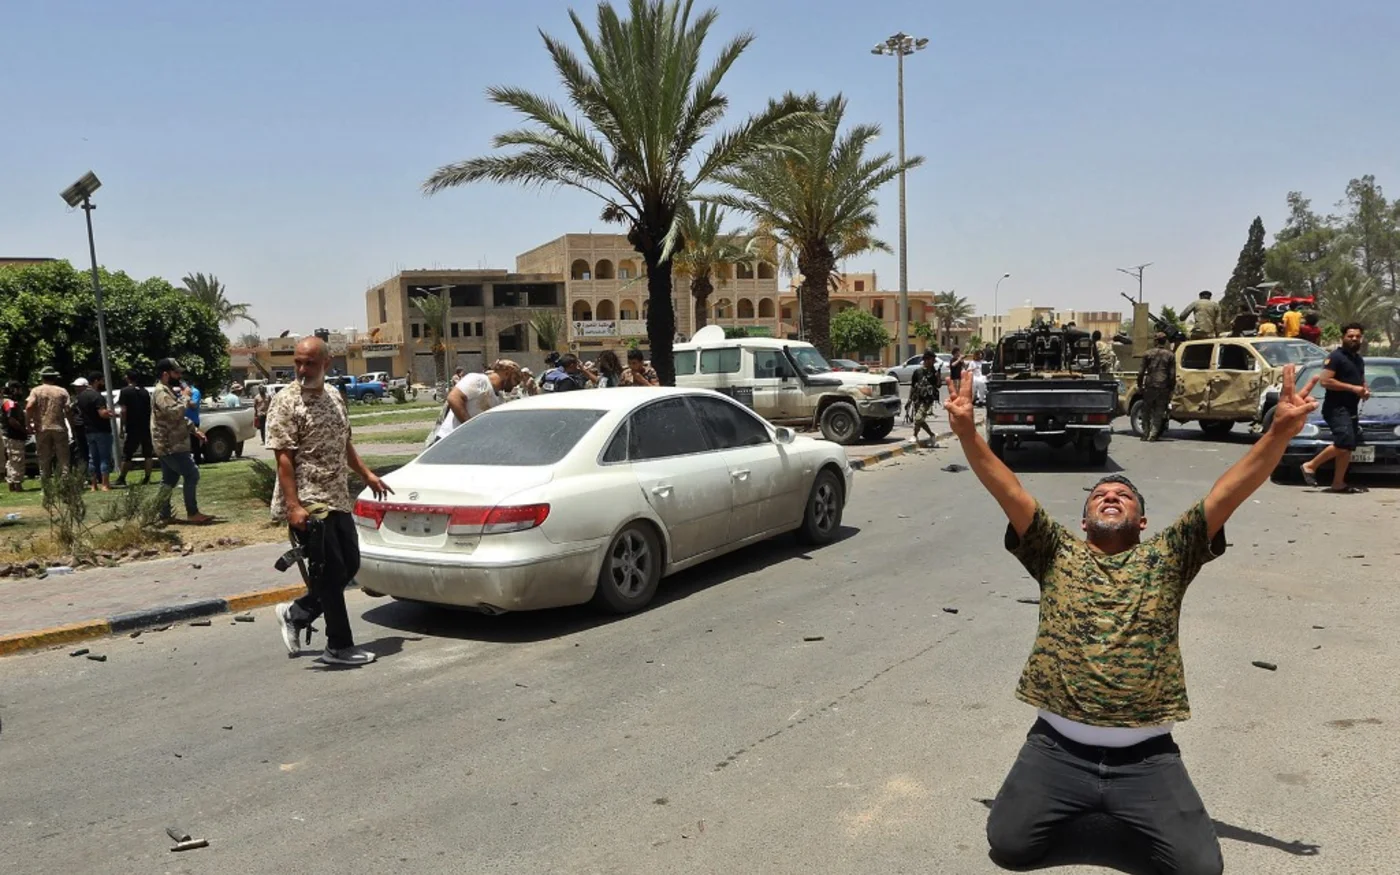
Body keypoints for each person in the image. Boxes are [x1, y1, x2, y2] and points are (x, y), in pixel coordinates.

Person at [944, 364, 1320, 875]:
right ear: (1083, 520)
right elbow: (1008, 490)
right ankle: (1083, 802)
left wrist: (1277, 433)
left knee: (1200, 868)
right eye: (1099, 495)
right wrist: (968, 433)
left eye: (1123, 496)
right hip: (1057, 751)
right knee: (1010, 845)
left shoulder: (1170, 554)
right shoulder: (1054, 550)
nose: (1110, 496)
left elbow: (1228, 491)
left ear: (1143, 521)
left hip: (1147, 760)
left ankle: (1124, 806)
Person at [269, 336, 393, 666]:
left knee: (350, 565)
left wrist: (366, 474)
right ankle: (338, 646)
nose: (302, 369)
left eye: (309, 363)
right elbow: (283, 459)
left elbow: (344, 443)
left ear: (326, 363)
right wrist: (294, 506)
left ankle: (296, 614)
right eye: (297, 362)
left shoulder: (336, 396)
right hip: (310, 499)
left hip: (338, 495)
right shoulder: (286, 402)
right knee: (329, 571)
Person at [1301, 323, 1369, 494]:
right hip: (1336, 408)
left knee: (1348, 446)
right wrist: (1353, 389)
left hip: (1351, 408)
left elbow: (1360, 381)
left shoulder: (1358, 359)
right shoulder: (1335, 357)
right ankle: (1310, 465)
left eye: (1357, 336)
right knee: (1344, 442)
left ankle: (1338, 483)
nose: (1354, 339)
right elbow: (1325, 381)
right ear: (1343, 337)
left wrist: (1364, 390)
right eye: (1350, 336)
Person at [152, 359, 213, 524]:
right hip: (170, 445)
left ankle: (162, 515)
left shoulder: (169, 391)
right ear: (166, 374)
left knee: (169, 480)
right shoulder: (161, 392)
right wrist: (185, 398)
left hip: (174, 443)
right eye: (176, 373)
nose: (179, 376)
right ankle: (192, 513)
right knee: (191, 474)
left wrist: (194, 430)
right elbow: (172, 413)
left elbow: (178, 420)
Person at [429, 360, 523, 445]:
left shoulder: (500, 399)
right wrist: (470, 427)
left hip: (468, 444)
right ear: (507, 373)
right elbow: (454, 398)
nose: (515, 385)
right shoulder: (478, 380)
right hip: (449, 439)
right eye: (515, 380)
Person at [26, 367, 72, 479]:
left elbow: (29, 406)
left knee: (44, 457)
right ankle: (65, 481)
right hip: (59, 426)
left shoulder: (36, 391)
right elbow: (68, 410)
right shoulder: (62, 391)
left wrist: (28, 424)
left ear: (42, 377)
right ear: (55, 377)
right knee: (63, 457)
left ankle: (45, 483)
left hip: (42, 427)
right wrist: (72, 425)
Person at [74, 372, 115, 491]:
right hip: (101, 430)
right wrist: (111, 413)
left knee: (92, 458)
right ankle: (105, 484)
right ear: (96, 381)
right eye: (102, 381)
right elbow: (102, 414)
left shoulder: (80, 397)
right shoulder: (97, 396)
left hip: (88, 430)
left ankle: (93, 485)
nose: (103, 383)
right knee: (104, 457)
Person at [115, 370, 154, 487]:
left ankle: (122, 477)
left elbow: (123, 410)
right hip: (145, 426)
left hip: (132, 426)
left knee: (127, 453)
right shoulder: (145, 392)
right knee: (147, 453)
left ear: (128, 378)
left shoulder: (125, 391)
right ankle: (147, 477)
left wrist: (122, 427)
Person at [1137, 333, 1176, 442]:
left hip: (1150, 385)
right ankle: (1153, 435)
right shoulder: (1170, 355)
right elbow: (1172, 375)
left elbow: (1141, 372)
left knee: (1146, 410)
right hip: (1163, 386)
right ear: (1165, 341)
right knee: (1159, 412)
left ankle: (1145, 434)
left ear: (1155, 341)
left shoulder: (1147, 354)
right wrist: (1171, 388)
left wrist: (1140, 385)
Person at [906, 351, 941, 448]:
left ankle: (919, 435)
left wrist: (938, 377)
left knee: (918, 418)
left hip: (928, 400)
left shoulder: (934, 372)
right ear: (926, 360)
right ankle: (928, 435)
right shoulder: (918, 372)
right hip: (917, 399)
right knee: (919, 419)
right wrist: (909, 400)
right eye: (931, 359)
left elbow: (938, 386)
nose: (933, 362)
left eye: (934, 360)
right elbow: (913, 386)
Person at [2, 381, 28, 492]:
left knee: (11, 460)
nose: (20, 392)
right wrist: (23, 430)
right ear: (14, 390)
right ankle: (17, 484)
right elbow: (11, 419)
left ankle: (12, 483)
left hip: (10, 435)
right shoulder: (10, 403)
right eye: (19, 389)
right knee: (17, 459)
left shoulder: (7, 402)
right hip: (14, 435)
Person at [68, 376, 90, 469]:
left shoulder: (89, 397)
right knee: (80, 451)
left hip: (87, 427)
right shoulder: (75, 399)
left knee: (89, 450)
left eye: (79, 387)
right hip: (78, 427)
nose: (77, 388)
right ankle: (83, 471)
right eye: (76, 387)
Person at [182, 379, 203, 464]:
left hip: (193, 421)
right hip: (183, 421)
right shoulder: (182, 392)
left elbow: (194, 405)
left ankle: (197, 461)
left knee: (195, 443)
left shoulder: (195, 392)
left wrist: (186, 397)